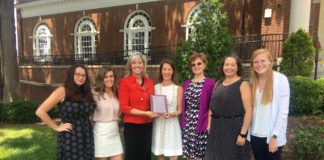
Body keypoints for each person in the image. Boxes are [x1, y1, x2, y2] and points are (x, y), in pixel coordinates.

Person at [35, 64, 95, 160]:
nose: (81, 77)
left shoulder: (86, 92)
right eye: (77, 74)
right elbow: (40, 111)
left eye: (84, 75)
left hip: (86, 134)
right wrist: (56, 127)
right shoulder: (63, 91)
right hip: (71, 135)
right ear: (71, 75)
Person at [204, 55, 253, 160]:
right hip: (216, 130)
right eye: (226, 64)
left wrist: (242, 134)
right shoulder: (218, 83)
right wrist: (209, 126)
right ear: (223, 67)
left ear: (237, 67)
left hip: (234, 130)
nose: (229, 67)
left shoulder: (243, 84)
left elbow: (249, 111)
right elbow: (212, 108)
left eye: (232, 65)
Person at [248, 49, 290, 160]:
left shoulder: (281, 79)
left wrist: (275, 136)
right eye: (255, 62)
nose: (259, 64)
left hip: (271, 136)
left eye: (262, 60)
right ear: (252, 65)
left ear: (270, 61)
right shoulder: (252, 82)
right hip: (255, 134)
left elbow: (283, 111)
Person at [118, 52, 158, 160]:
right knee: (133, 154)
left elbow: (153, 103)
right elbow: (124, 107)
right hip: (132, 126)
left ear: (144, 65)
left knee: (145, 154)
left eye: (140, 62)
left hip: (147, 125)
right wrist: (145, 113)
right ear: (130, 66)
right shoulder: (125, 82)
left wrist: (157, 111)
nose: (137, 65)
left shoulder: (150, 82)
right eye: (134, 63)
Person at [181, 52, 215, 160]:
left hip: (202, 123)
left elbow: (212, 106)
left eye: (199, 63)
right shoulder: (186, 83)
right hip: (188, 123)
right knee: (188, 155)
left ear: (204, 65)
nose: (196, 66)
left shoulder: (210, 83)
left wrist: (209, 125)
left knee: (200, 156)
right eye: (193, 64)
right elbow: (184, 105)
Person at [152, 59, 183, 160]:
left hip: (172, 123)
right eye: (164, 69)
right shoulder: (155, 88)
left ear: (173, 71)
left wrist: (173, 114)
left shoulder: (178, 88)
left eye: (169, 69)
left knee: (173, 154)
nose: (167, 72)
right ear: (161, 71)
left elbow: (180, 110)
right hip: (159, 123)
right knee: (160, 154)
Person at [92, 66, 123, 160]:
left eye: (111, 76)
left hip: (114, 132)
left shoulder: (117, 91)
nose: (109, 79)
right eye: (105, 77)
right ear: (101, 79)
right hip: (101, 133)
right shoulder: (94, 93)